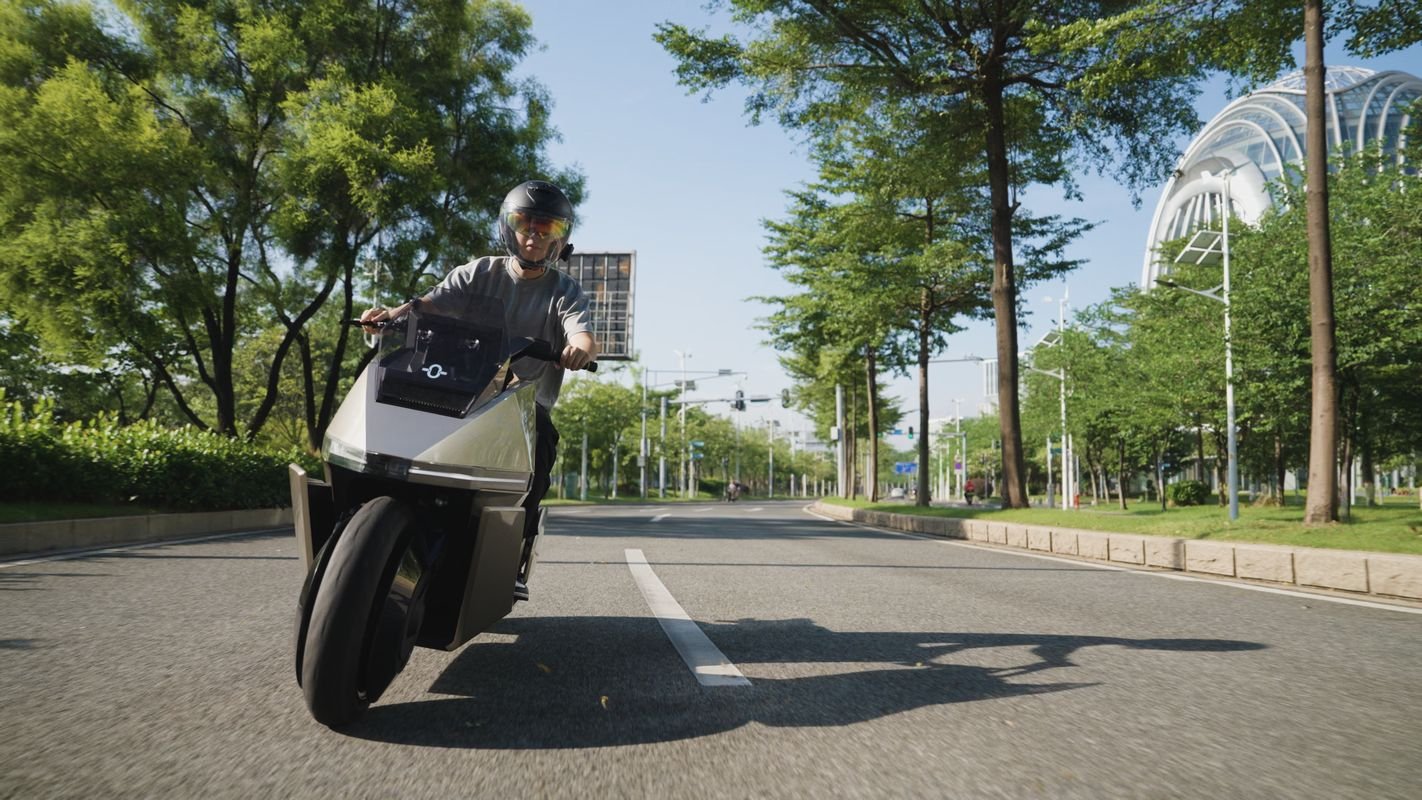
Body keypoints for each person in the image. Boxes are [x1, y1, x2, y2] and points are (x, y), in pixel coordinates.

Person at [359, 180, 598, 601]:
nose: (534, 236)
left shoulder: (565, 290)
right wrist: (388, 317)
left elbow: (581, 333)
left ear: (560, 237)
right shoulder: (479, 272)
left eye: (546, 229)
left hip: (519, 402)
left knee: (543, 440)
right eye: (526, 225)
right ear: (509, 228)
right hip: (459, 387)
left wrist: (578, 350)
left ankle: (516, 552)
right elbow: (429, 303)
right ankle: (373, 511)